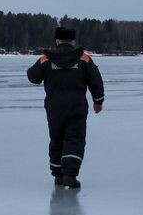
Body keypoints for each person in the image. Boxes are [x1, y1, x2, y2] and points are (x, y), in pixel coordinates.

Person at [27, 27, 105, 188]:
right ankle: (69, 174)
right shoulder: (84, 59)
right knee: (74, 139)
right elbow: (96, 81)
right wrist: (98, 101)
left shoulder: (46, 59)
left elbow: (33, 76)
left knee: (56, 139)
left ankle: (58, 175)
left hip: (54, 108)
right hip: (76, 108)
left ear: (57, 41)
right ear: (73, 41)